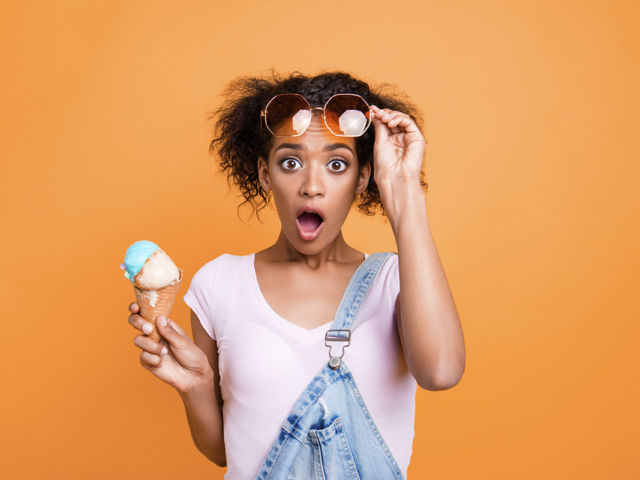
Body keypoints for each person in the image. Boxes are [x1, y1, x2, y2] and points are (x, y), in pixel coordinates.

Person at [127, 70, 466, 479]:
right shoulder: (219, 284)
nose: (311, 186)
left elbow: (441, 372)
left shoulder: (396, 280)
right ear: (266, 174)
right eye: (291, 162)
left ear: (363, 178)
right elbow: (222, 452)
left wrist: (403, 186)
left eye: (337, 164)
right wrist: (195, 386)